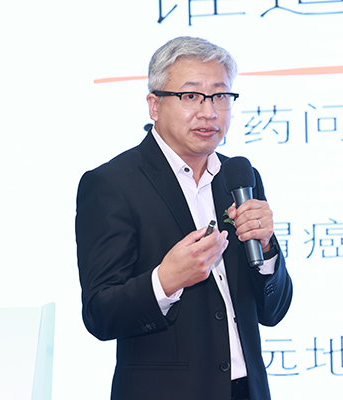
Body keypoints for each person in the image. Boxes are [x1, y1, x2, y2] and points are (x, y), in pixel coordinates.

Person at [75, 36, 293, 400]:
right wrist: (165, 281)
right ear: (154, 105)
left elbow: (273, 311)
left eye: (220, 96)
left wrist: (267, 250)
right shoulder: (112, 184)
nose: (209, 112)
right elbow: (100, 313)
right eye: (191, 96)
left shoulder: (241, 178)